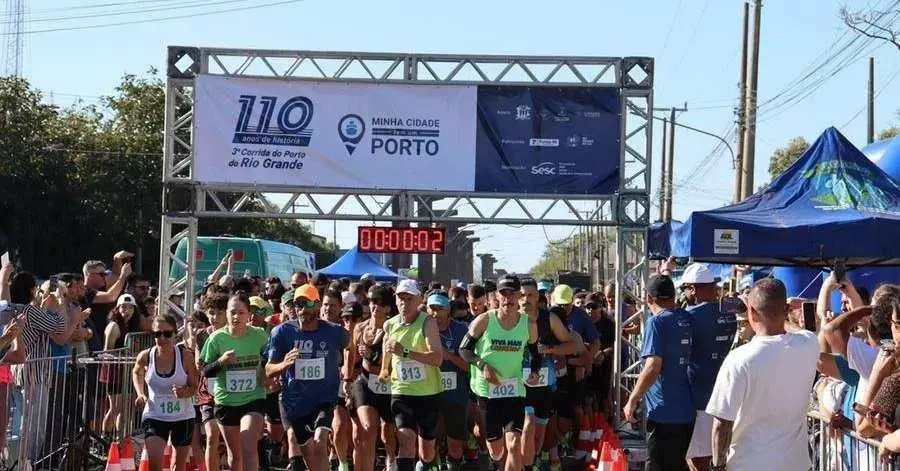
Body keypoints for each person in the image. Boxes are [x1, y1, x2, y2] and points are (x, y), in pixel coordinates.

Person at [706, 278, 818, 471]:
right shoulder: (808, 344)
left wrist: (717, 466)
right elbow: (801, 333)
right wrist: (782, 312)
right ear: (786, 311)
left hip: (748, 464)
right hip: (795, 464)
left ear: (751, 312)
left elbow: (721, 424)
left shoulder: (739, 359)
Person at [459, 275, 540, 471]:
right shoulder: (485, 320)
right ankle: (494, 459)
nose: (508, 299)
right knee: (496, 450)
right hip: (488, 391)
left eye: (512, 294)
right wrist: (483, 366)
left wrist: (535, 372)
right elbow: (464, 350)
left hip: (514, 390)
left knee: (513, 444)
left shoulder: (528, 324)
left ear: (519, 297)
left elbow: (536, 354)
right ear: (497, 296)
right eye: (504, 294)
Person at [266, 283, 350, 471]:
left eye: (307, 304)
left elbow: (351, 347)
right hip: (295, 402)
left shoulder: (335, 332)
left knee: (320, 442)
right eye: (297, 305)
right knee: (309, 452)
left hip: (324, 399)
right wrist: (284, 364)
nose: (301, 309)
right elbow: (268, 370)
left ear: (318, 305)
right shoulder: (282, 332)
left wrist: (348, 375)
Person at [623, 275, 694, 471]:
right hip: (686, 411)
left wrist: (632, 399)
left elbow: (653, 365)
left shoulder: (656, 322)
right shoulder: (686, 317)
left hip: (664, 413)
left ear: (648, 298)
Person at [379, 279, 444, 471]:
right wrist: (384, 369)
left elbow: (437, 359)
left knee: (426, 452)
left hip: (427, 393)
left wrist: (406, 352)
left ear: (418, 301)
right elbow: (388, 350)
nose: (404, 303)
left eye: (409, 299)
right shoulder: (390, 325)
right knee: (405, 441)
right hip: (402, 391)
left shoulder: (428, 323)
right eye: (400, 299)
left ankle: (425, 464)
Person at [200, 293, 269, 471]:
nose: (236, 317)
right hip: (226, 402)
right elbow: (205, 371)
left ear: (249, 315)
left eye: (241, 312)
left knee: (248, 445)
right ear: (227, 314)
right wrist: (221, 361)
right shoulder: (216, 338)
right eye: (232, 312)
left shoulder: (260, 335)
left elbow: (270, 357)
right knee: (235, 456)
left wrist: (269, 372)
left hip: (254, 398)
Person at [518, 278, 578, 471]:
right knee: (526, 426)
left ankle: (532, 461)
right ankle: (523, 465)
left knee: (539, 431)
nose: (526, 299)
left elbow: (571, 345)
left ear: (538, 297)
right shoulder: (510, 319)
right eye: (522, 295)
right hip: (519, 384)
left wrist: (551, 349)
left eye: (530, 295)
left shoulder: (549, 319)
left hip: (544, 384)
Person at [680, 264, 735, 471]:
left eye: (686, 288)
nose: (685, 293)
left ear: (693, 288)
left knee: (697, 457)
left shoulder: (690, 315)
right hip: (726, 393)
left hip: (699, 395)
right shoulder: (730, 311)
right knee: (720, 455)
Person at [133, 314, 200, 471]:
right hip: (155, 415)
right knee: (155, 464)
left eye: (167, 334)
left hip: (182, 416)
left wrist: (185, 392)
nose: (162, 338)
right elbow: (136, 371)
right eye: (157, 334)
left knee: (178, 466)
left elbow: (194, 386)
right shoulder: (146, 356)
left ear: (175, 334)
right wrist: (140, 393)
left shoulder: (185, 357)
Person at [349, 284, 398, 471]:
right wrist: (347, 381)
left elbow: (395, 362)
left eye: (379, 302)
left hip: (388, 382)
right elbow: (351, 356)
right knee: (368, 428)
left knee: (387, 430)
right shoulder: (360, 328)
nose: (374, 306)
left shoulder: (394, 328)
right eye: (370, 301)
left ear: (387, 307)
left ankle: (391, 460)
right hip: (364, 381)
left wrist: (373, 355)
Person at [427, 291, 470, 471]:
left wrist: (449, 357)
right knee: (428, 442)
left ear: (448, 310)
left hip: (455, 394)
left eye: (440, 309)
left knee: (455, 443)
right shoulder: (420, 328)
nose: (436, 313)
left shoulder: (461, 330)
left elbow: (470, 367)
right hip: (428, 392)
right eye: (432, 308)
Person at [196, 293, 228, 471]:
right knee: (211, 435)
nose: (214, 318)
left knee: (233, 439)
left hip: (232, 392)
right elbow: (200, 365)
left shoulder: (234, 333)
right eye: (211, 313)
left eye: (219, 313)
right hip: (207, 391)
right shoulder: (201, 335)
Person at [103, 294, 142, 438]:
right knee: (115, 407)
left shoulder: (131, 326)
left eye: (130, 307)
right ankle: (105, 438)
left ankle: (121, 438)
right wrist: (127, 357)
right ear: (117, 309)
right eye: (124, 307)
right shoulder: (114, 326)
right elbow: (107, 352)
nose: (127, 310)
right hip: (113, 372)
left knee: (126, 407)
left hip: (125, 372)